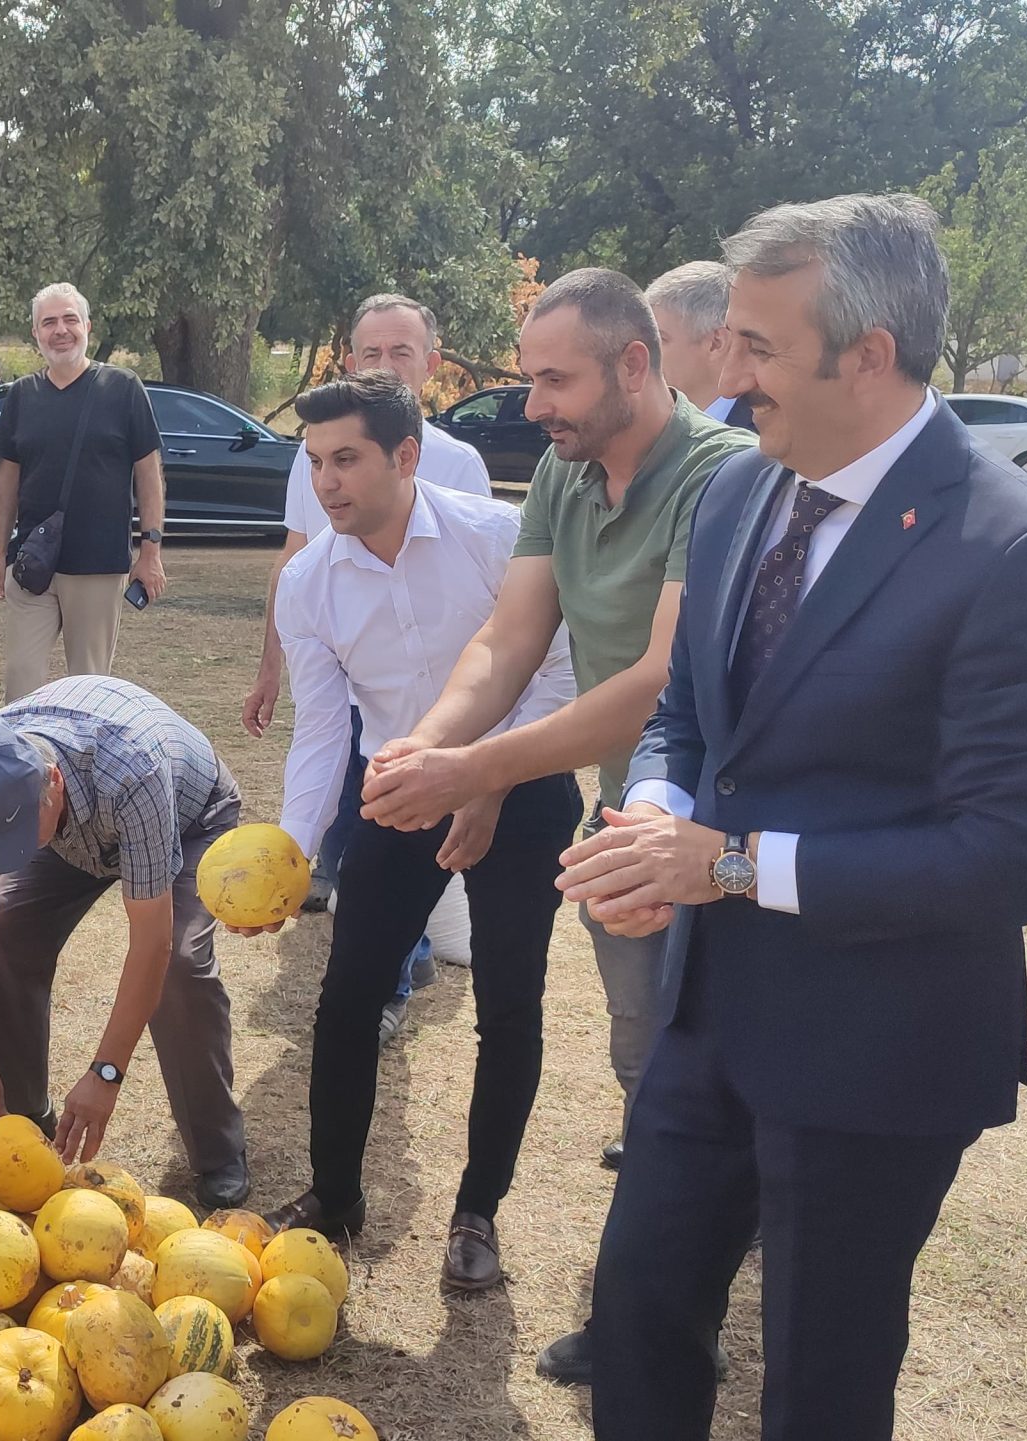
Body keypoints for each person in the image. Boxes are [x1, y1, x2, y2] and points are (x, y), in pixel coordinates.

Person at [555, 194, 1027, 1440]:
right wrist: (650, 817)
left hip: (880, 1044)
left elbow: (1013, 857)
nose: (726, 373)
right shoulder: (737, 494)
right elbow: (688, 716)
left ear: (868, 354)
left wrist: (737, 864)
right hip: (709, 1012)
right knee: (640, 1311)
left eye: (756, 346)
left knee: (820, 1374)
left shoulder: (1019, 552)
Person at [359, 270, 753, 1216]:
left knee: (734, 1064)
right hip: (630, 815)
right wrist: (425, 749)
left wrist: (478, 767)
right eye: (529, 379)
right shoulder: (562, 471)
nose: (533, 405)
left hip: (735, 822)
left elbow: (663, 680)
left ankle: (732, 1241)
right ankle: (675, 1252)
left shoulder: (722, 472)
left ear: (633, 363)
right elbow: (509, 637)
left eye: (555, 381)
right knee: (643, 1051)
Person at [257, 372, 578, 1293]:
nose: (327, 483)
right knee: (347, 996)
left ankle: (479, 1211)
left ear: (406, 454)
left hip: (523, 786)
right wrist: (290, 854)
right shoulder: (309, 583)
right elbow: (323, 732)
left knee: (510, 1001)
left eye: (346, 458)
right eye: (314, 462)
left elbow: (559, 674)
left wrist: (488, 778)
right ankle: (334, 1196)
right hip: (397, 797)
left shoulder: (498, 537)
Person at [238, 292, 495, 1041]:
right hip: (357, 682)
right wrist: (271, 664)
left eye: (401, 353)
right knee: (361, 816)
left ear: (431, 363)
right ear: (350, 360)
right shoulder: (316, 455)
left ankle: (404, 951)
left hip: (466, 712)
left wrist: (482, 759)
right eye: (370, 353)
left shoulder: (467, 474)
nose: (384, 366)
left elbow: (497, 619)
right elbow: (297, 562)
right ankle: (389, 954)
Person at [0, 674, 252, 1210]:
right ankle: (22, 1126)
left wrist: (105, 1073)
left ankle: (217, 1150)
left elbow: (150, 944)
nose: (8, 852)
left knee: (180, 965)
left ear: (53, 782)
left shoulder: (133, 770)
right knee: (2, 932)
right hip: (72, 832)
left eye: (18, 835)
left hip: (187, 819)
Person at [0, 283, 167, 702]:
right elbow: (7, 479)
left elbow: (148, 473)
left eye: (69, 319)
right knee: (21, 682)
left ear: (86, 326)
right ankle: (27, 767)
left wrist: (151, 551)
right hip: (33, 564)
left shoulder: (122, 388)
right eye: (49, 322)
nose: (60, 330)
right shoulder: (22, 395)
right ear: (35, 333)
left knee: (88, 690)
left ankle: (82, 768)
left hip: (98, 564)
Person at [644, 261, 754, 432]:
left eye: (658, 339)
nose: (643, 356)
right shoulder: (646, 432)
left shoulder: (772, 436)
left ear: (716, 343)